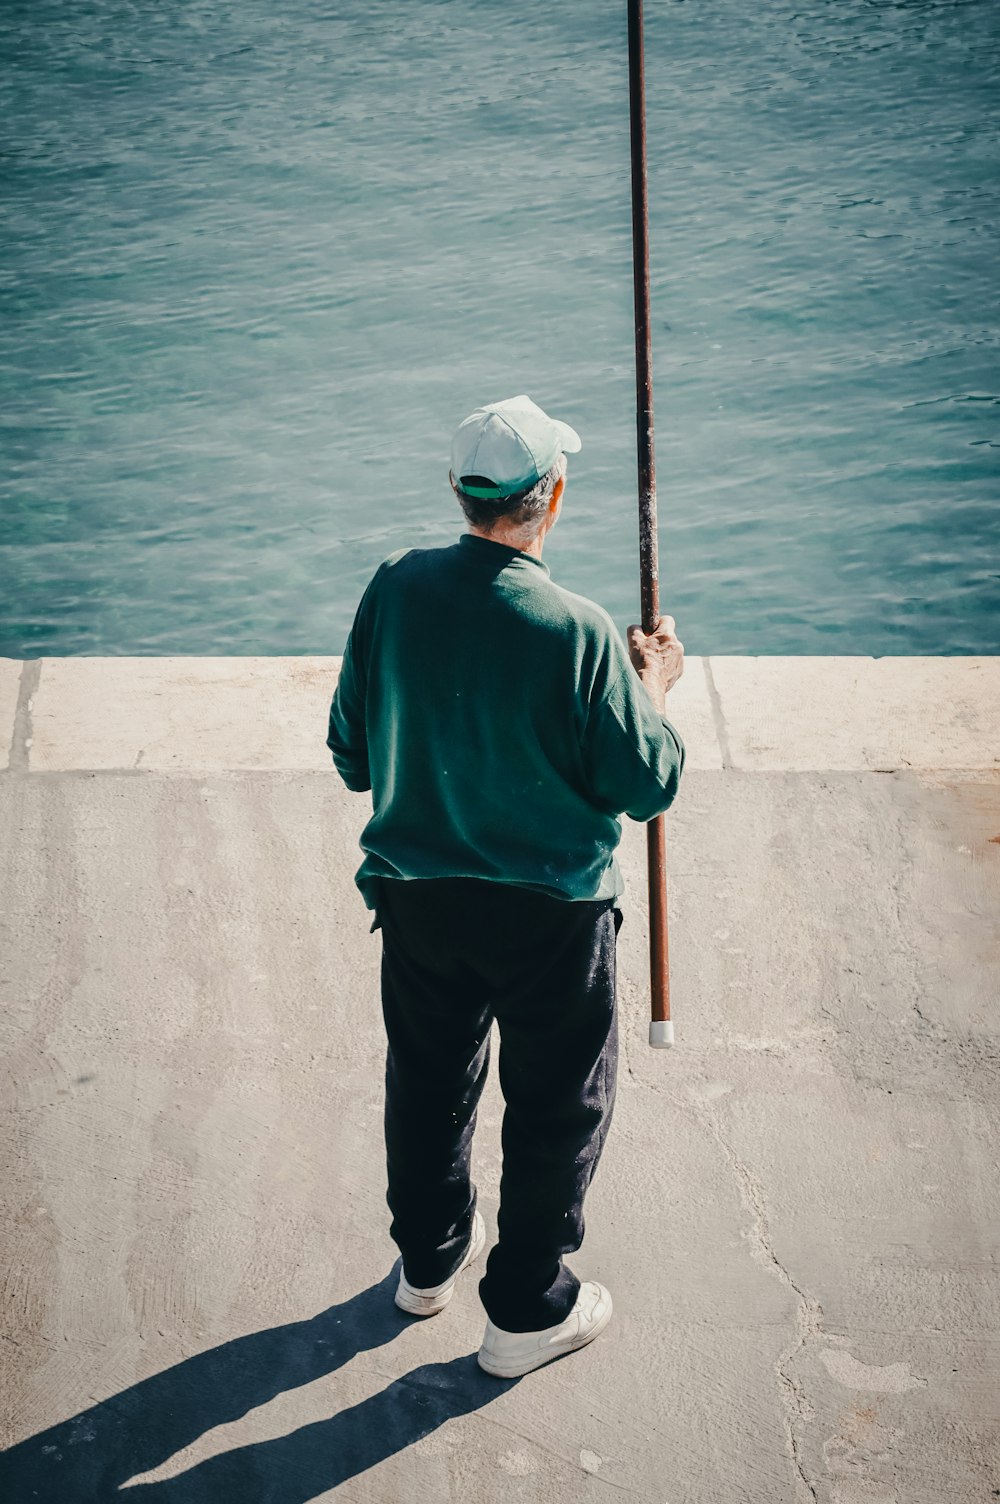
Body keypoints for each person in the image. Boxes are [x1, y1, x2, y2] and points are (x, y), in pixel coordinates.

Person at [326, 395, 685, 1378]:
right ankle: (527, 1307)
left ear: (458, 492)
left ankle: (426, 1259)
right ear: (551, 499)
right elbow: (646, 782)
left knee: (428, 1080)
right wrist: (650, 684)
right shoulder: (575, 630)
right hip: (551, 919)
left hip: (418, 900)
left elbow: (351, 752)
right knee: (556, 1104)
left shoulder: (395, 587)